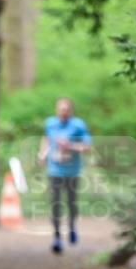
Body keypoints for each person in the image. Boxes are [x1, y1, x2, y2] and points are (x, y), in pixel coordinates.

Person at [38, 98, 91, 254]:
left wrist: (70, 146)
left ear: (71, 111)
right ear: (56, 110)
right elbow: (46, 139)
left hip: (72, 172)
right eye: (61, 109)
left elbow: (87, 147)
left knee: (71, 203)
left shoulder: (78, 125)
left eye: (66, 109)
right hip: (54, 171)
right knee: (55, 204)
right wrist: (42, 154)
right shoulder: (50, 123)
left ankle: (72, 227)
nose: (64, 112)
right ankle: (56, 237)